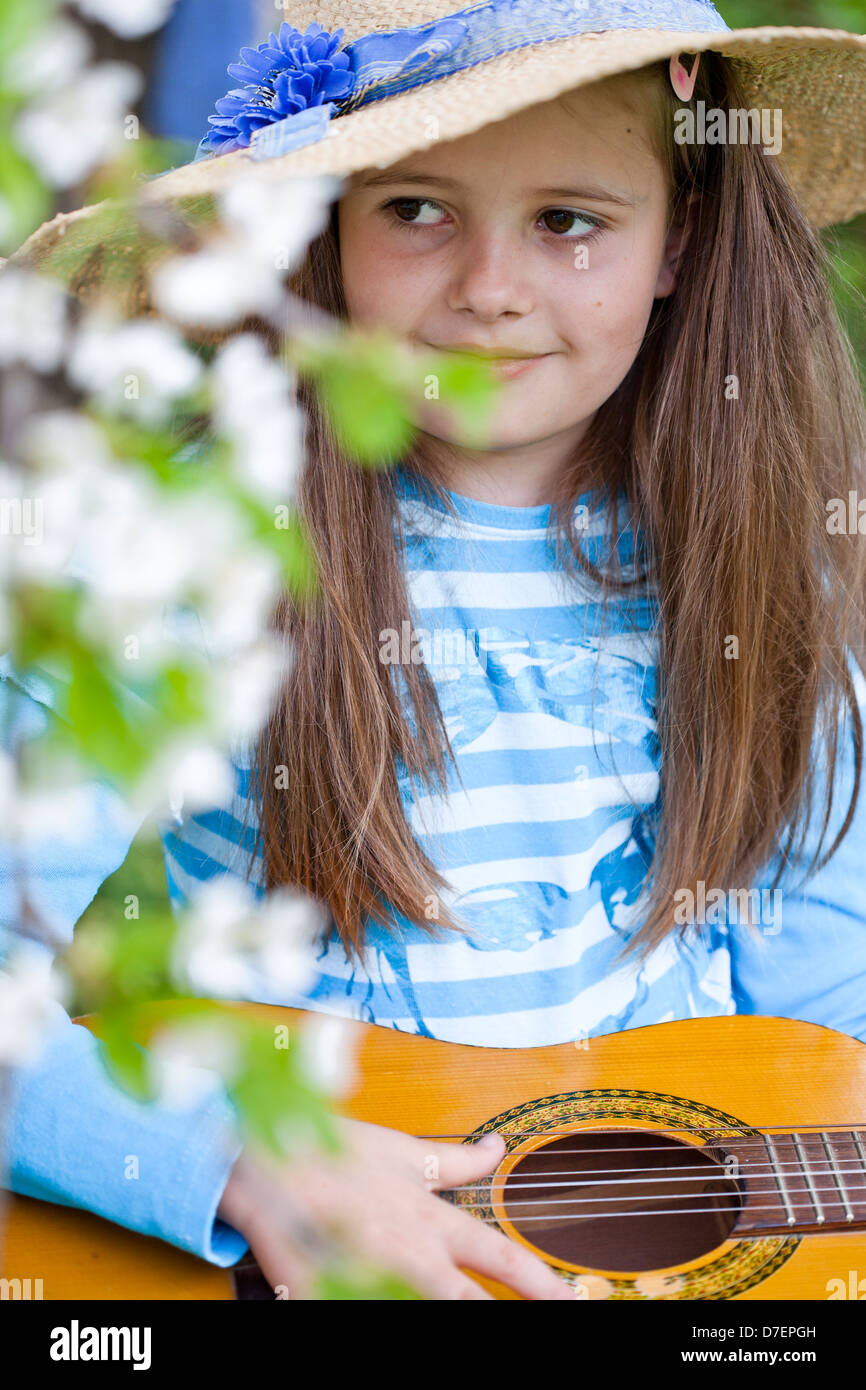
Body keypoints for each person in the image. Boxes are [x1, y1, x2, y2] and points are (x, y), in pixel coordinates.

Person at [4, 0, 866, 1300]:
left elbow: (819, 1026)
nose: (490, 289)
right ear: (320, 227)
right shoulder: (187, 546)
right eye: (415, 209)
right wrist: (236, 1159)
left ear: (677, 237)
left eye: (567, 219)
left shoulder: (750, 555)